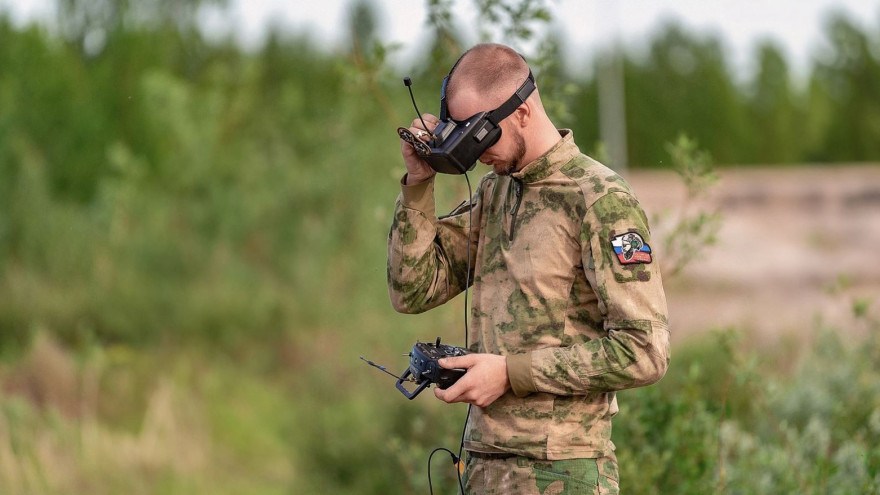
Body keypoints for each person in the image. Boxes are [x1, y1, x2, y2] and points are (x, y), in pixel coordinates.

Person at [387, 43, 670, 494]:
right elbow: (413, 291)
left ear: (521, 111)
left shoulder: (598, 199)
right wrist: (420, 184)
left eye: (480, 136)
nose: (476, 154)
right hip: (483, 467)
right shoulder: (493, 194)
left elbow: (644, 350)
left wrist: (510, 372)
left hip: (562, 471)